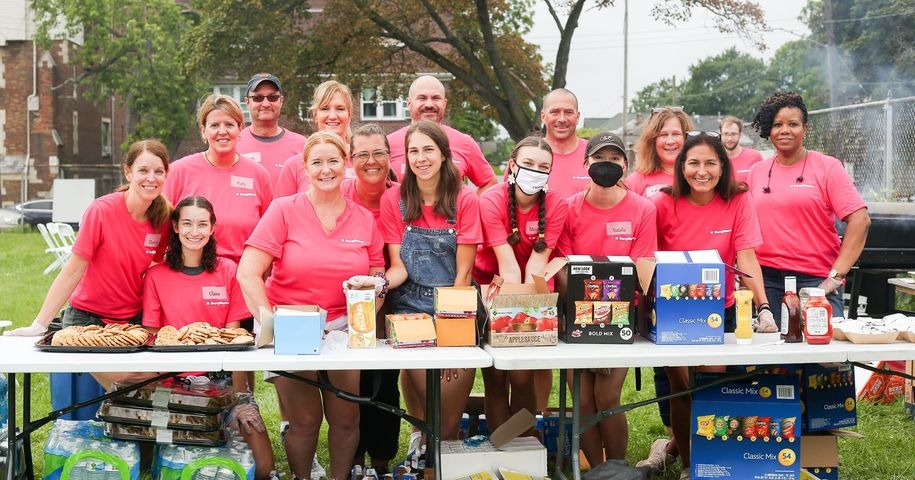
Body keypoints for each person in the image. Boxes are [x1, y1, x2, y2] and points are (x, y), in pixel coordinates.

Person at [237, 131, 385, 480]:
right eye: (316, 162)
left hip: (342, 327)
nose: (326, 169)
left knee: (347, 418)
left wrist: (365, 314)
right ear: (304, 167)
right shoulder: (284, 210)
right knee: (304, 421)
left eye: (333, 160)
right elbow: (248, 273)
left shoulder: (363, 219)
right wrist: (270, 324)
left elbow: (377, 277)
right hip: (292, 325)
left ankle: (338, 477)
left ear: (346, 164)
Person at [649, 131, 774, 480]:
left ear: (723, 167)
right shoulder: (662, 203)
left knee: (708, 388)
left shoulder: (738, 200)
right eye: (693, 163)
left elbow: (747, 257)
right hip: (674, 312)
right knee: (681, 387)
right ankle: (689, 464)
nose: (701, 171)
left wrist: (763, 307)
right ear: (681, 167)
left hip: (721, 310)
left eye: (710, 163)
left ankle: (712, 465)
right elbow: (648, 260)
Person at [139, 195, 275, 479]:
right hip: (173, 385)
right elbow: (153, 341)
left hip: (221, 382)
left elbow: (235, 341)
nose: (194, 231)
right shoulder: (156, 276)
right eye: (187, 223)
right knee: (164, 466)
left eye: (202, 224)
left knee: (264, 465)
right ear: (175, 226)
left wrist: (242, 399)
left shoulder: (228, 271)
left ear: (213, 228)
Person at [555, 132, 657, 467]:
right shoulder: (568, 209)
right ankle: (596, 470)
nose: (607, 165)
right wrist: (586, 311)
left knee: (607, 397)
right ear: (586, 164)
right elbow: (564, 268)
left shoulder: (643, 209)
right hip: (576, 314)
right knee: (582, 400)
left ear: (625, 166)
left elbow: (641, 270)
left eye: (615, 159)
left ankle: (617, 467)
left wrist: (609, 309)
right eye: (600, 158)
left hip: (622, 318)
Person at [379, 120, 482, 444]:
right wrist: (376, 285)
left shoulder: (464, 199)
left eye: (428, 149)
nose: (421, 158)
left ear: (443, 155)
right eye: (414, 151)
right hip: (410, 309)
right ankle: (423, 455)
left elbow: (463, 276)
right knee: (429, 415)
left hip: (456, 305)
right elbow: (399, 267)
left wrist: (452, 335)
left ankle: (442, 456)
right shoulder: (393, 200)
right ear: (405, 157)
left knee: (448, 421)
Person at [5, 139, 171, 336]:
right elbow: (72, 271)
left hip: (132, 320)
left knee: (147, 369)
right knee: (125, 369)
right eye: (143, 170)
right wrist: (39, 325)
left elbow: (155, 269)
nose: (151, 178)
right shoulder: (101, 211)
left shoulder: (164, 219)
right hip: (86, 319)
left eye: (158, 171)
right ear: (128, 172)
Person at [472, 136, 569, 434]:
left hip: (530, 289)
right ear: (512, 166)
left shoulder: (557, 204)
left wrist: (529, 319)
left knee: (524, 375)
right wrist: (510, 317)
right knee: (496, 376)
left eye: (543, 167)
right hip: (492, 288)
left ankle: (521, 444)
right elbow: (508, 266)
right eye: (528, 164)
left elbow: (536, 266)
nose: (535, 171)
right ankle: (499, 446)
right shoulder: (490, 200)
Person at [747, 91, 870, 320]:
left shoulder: (827, 167)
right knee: (772, 353)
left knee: (819, 351)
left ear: (805, 128)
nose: (784, 130)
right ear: (769, 131)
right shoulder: (756, 172)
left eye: (792, 124)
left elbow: (860, 220)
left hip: (815, 281)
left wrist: (834, 277)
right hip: (768, 282)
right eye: (777, 124)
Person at [345, 124, 400, 475]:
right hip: (349, 301)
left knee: (384, 384)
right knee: (352, 384)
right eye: (362, 154)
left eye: (378, 152)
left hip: (396, 299)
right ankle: (352, 460)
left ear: (389, 156)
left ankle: (380, 461)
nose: (371, 160)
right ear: (351, 160)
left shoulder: (401, 196)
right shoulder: (340, 197)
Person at [164, 94, 273, 265]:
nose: (222, 131)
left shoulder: (258, 175)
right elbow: (160, 227)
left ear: (240, 129)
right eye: (214, 125)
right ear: (203, 131)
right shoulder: (178, 171)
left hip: (241, 278)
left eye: (229, 124)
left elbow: (269, 236)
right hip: (190, 274)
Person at [387, 75, 497, 194]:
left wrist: (470, 206)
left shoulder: (465, 143)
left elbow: (489, 183)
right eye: (422, 98)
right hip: (404, 213)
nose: (429, 104)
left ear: (444, 104)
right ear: (409, 103)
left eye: (435, 98)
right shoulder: (388, 144)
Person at [274, 80, 355, 197]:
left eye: (340, 109)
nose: (332, 116)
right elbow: (281, 210)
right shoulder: (294, 165)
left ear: (349, 115)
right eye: (325, 109)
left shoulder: (361, 160)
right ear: (315, 115)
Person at [238, 73, 307, 187]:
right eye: (258, 98)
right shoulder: (235, 142)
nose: (265, 104)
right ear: (247, 102)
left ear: (281, 100)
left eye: (272, 97)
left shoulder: (302, 145)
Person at [626, 107, 695, 198]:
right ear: (652, 141)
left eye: (676, 134)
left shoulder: (698, 177)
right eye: (663, 135)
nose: (670, 141)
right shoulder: (635, 181)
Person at [539, 88, 589, 198]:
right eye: (555, 112)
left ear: (578, 117)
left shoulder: (594, 153)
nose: (562, 119)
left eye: (568, 112)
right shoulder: (527, 156)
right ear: (543, 116)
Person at [719, 115, 763, 183]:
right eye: (726, 134)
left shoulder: (755, 157)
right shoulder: (715, 159)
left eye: (733, 134)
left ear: (740, 134)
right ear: (721, 134)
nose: (729, 138)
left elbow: (762, 184)